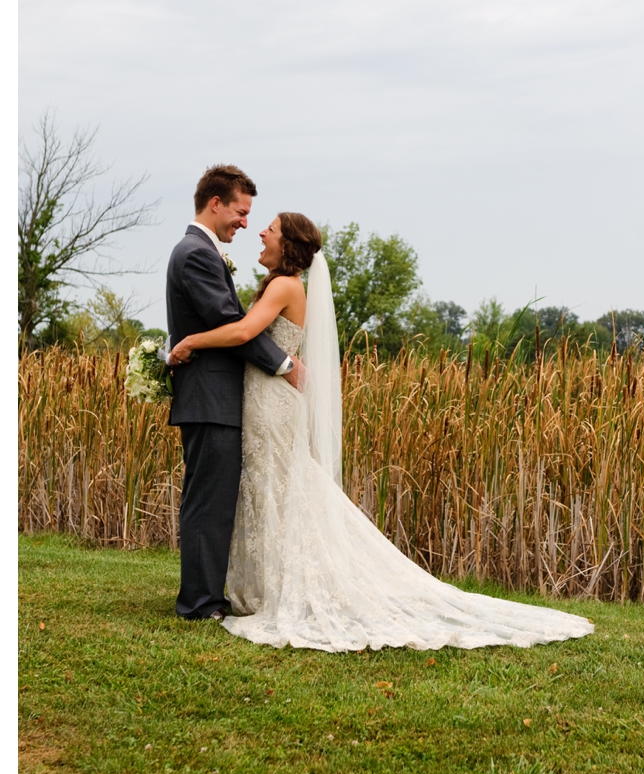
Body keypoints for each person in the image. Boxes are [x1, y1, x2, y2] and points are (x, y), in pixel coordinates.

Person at [169, 213, 593, 651]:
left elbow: (242, 331)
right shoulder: (286, 285)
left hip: (271, 404)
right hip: (265, 398)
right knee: (268, 488)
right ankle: (261, 585)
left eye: (271, 229)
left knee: (277, 486)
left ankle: (276, 586)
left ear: (289, 244)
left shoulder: (285, 285)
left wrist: (188, 343)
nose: (261, 231)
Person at [165, 167, 304, 622]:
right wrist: (285, 365)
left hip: (218, 397)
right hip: (212, 398)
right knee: (209, 501)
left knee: (216, 500)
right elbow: (233, 324)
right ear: (216, 203)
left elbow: (233, 325)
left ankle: (209, 596)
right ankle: (201, 603)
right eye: (242, 212)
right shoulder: (197, 255)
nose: (246, 223)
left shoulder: (203, 252)